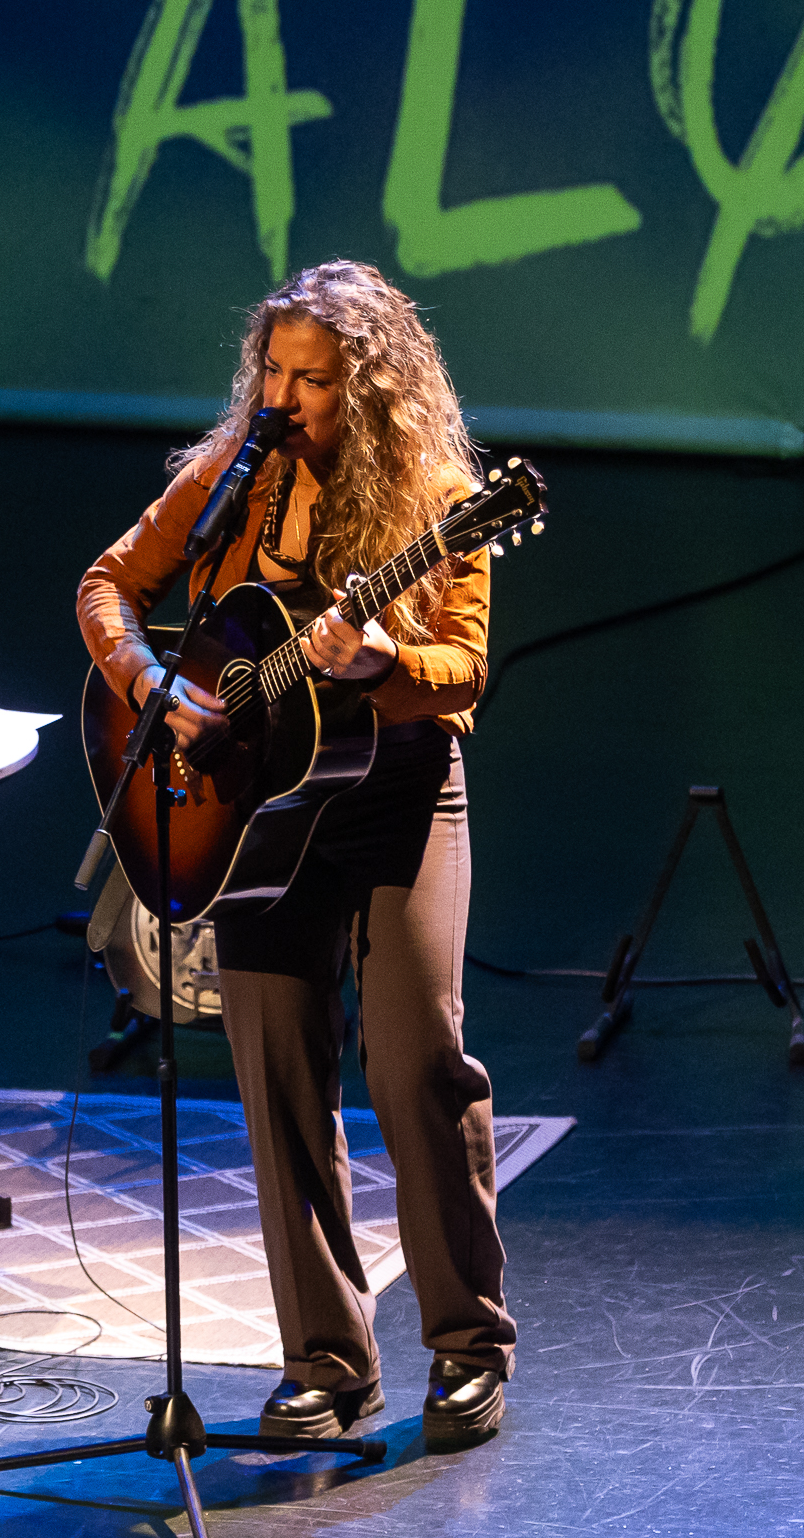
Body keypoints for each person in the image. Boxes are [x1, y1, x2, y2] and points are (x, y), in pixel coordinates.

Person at [75, 260, 511, 1444]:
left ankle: (470, 1342)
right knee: (278, 1079)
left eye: (311, 380)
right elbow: (109, 584)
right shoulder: (231, 477)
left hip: (397, 791)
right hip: (261, 812)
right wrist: (151, 682)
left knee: (417, 1065)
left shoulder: (439, 493)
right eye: (272, 370)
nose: (284, 397)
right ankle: (327, 1359)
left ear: (368, 386)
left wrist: (381, 666)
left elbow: (467, 669)